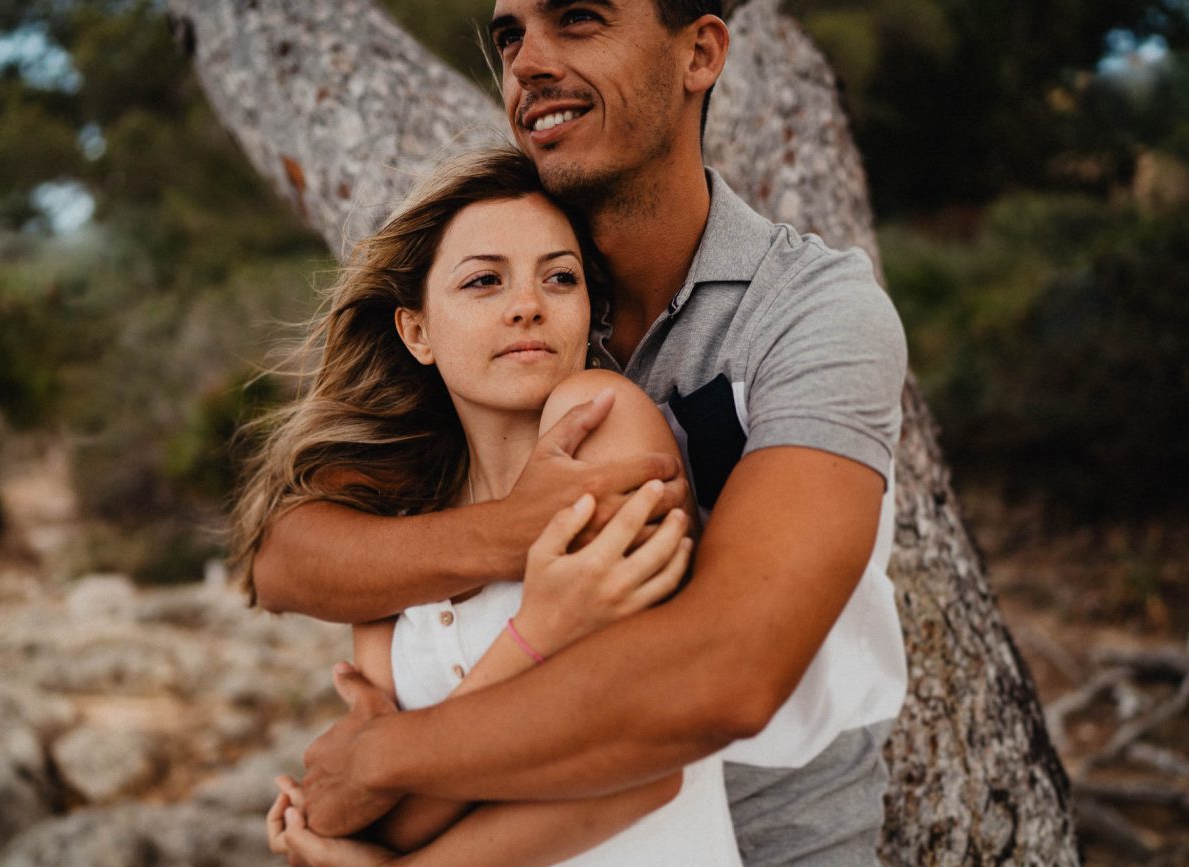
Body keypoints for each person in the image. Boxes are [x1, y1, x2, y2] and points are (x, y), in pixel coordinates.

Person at [249, 1, 908, 863]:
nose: (527, 62)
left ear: (699, 53)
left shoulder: (814, 313)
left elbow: (724, 678)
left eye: (580, 18)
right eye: (511, 34)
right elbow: (290, 557)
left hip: (766, 843)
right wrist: (514, 532)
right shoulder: (516, 335)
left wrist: (383, 755)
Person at [236, 148, 742, 864]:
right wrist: (539, 631)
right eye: (483, 280)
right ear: (417, 332)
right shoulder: (398, 517)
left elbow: (645, 764)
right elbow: (372, 810)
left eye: (559, 277)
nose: (528, 303)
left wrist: (393, 777)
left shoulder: (602, 419)